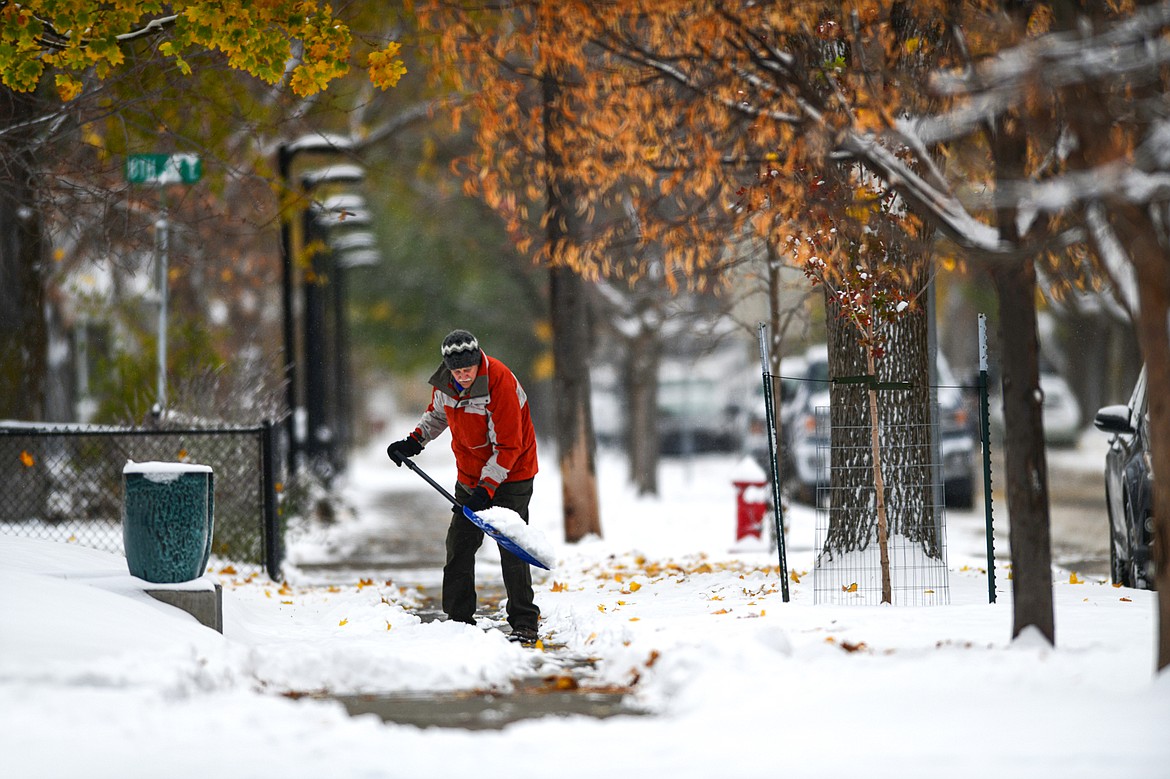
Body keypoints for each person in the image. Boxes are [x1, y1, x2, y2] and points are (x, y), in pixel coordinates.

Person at [386, 329, 541, 643]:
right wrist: (413, 442)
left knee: (511, 549)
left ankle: (524, 621)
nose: (463, 375)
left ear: (477, 360)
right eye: (456, 371)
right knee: (459, 545)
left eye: (467, 369)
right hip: (470, 476)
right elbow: (437, 415)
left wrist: (486, 491)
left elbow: (510, 446)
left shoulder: (499, 382)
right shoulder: (446, 383)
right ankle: (459, 620)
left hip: (513, 475)